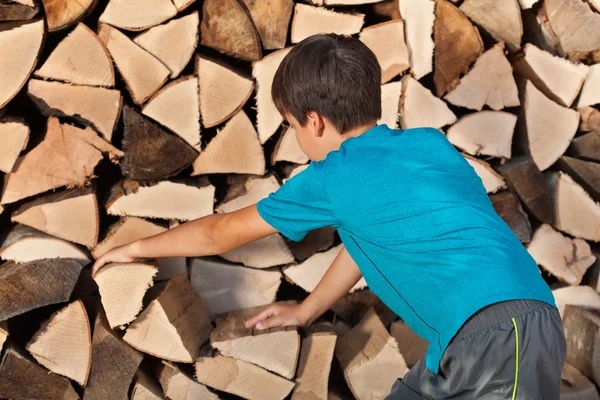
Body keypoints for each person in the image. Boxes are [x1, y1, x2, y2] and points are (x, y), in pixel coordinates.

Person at [91, 33, 566, 399]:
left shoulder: (335, 177)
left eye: (293, 125)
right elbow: (368, 244)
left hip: (502, 332)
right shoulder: (429, 145)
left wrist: (134, 247)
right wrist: (306, 309)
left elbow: (222, 232)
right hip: (486, 335)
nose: (298, 137)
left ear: (313, 120)